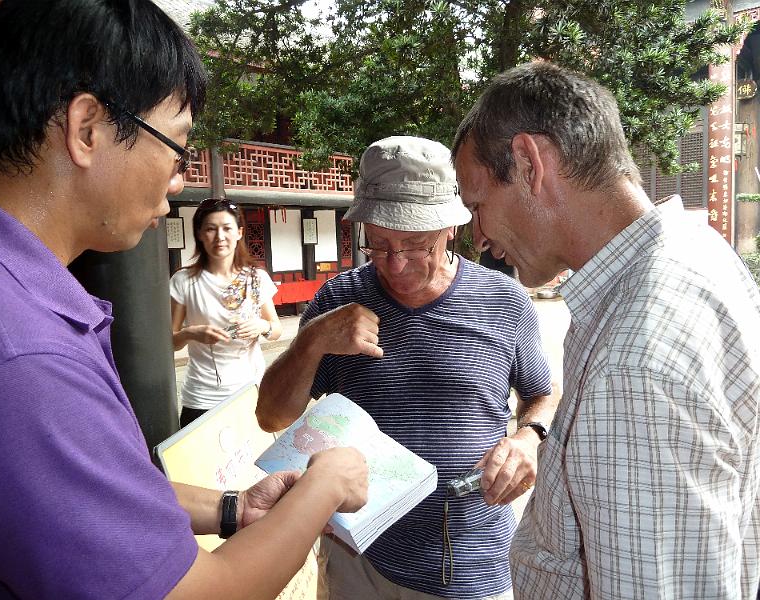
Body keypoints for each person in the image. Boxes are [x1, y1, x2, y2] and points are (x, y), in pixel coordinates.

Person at [0, 1, 368, 598]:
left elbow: (92, 494)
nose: (179, 179)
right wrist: (325, 484)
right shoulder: (22, 355)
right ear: (87, 129)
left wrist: (232, 509)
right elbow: (201, 591)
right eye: (176, 146)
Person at [452, 61, 760, 599]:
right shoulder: (696, 249)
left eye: (478, 205)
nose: (477, 236)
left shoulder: (633, 364)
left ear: (529, 164)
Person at [256, 135, 558, 600]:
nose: (395, 264)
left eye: (416, 244)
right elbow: (271, 417)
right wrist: (311, 342)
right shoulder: (337, 299)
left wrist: (528, 437)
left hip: (465, 557)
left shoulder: (504, 301)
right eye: (378, 244)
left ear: (449, 230)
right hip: (357, 552)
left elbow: (541, 394)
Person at [171, 199, 281, 428]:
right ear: (200, 234)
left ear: (239, 232)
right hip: (202, 396)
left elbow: (276, 329)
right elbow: (169, 341)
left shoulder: (256, 277)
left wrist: (262, 326)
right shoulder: (183, 281)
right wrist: (192, 333)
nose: (220, 236)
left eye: (227, 228)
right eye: (210, 229)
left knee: (250, 462)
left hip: (251, 391)